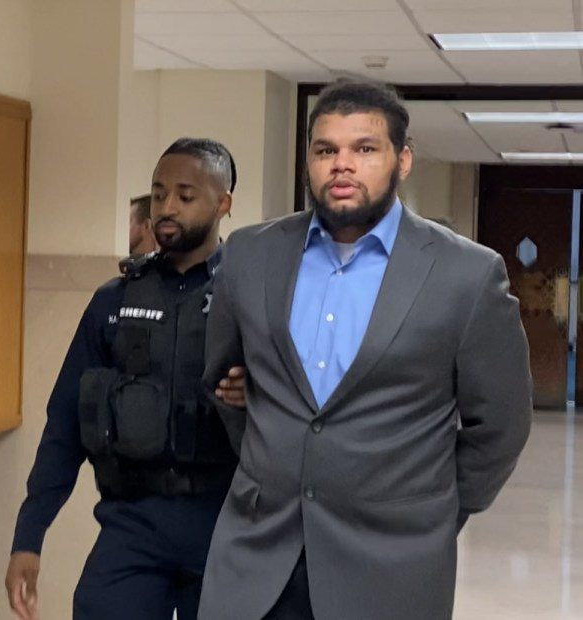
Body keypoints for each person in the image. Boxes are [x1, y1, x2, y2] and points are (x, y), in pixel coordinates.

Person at [199, 80, 533, 620]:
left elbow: (501, 426)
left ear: (402, 161)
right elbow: (223, 382)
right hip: (258, 559)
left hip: (392, 567)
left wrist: (434, 509)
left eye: (365, 149)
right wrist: (272, 461)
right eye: (326, 149)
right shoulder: (251, 255)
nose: (342, 165)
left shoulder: (467, 275)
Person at [5, 138, 246, 620]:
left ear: (222, 204)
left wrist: (255, 394)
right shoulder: (113, 301)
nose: (167, 207)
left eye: (185, 194)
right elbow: (64, 427)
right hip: (133, 524)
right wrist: (28, 537)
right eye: (158, 194)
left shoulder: (250, 299)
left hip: (227, 526)